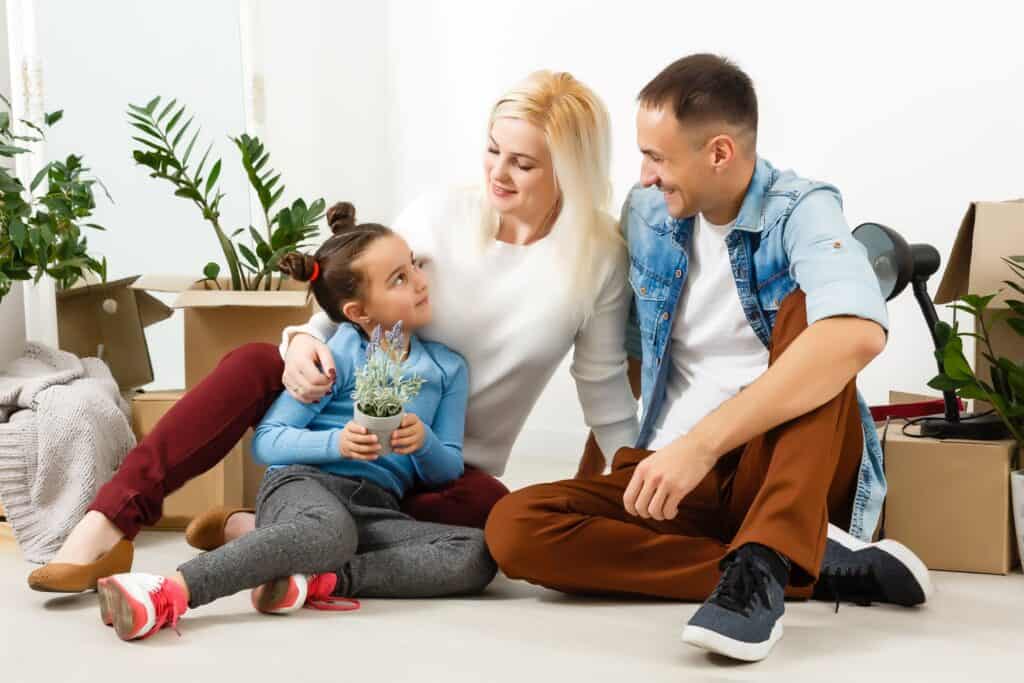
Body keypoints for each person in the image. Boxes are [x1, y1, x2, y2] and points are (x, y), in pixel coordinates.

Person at [29, 70, 638, 593]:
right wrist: (300, 342)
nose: (497, 174)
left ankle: (267, 534)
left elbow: (604, 387)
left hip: (436, 466)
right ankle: (107, 524)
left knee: (493, 524)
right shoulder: (440, 211)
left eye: (522, 163)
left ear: (569, 169)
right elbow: (351, 291)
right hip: (335, 419)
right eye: (491, 150)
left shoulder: (596, 257)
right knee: (251, 362)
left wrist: (632, 485)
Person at [484, 54, 933, 663]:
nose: (644, 176)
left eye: (658, 158)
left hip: (776, 463)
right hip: (675, 471)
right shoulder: (647, 215)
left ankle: (767, 556)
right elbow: (635, 356)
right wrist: (619, 467)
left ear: (719, 152)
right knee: (515, 529)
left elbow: (857, 335)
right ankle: (791, 565)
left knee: (819, 318)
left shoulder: (798, 210)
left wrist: (703, 445)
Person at [95, 204, 496, 641]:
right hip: (304, 483)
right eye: (399, 278)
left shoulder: (447, 369)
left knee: (474, 553)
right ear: (359, 312)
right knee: (328, 531)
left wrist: (423, 443)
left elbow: (449, 468)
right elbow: (268, 442)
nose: (420, 281)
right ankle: (169, 590)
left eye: (414, 266)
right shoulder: (335, 355)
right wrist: (335, 445)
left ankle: (315, 580)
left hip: (376, 505)